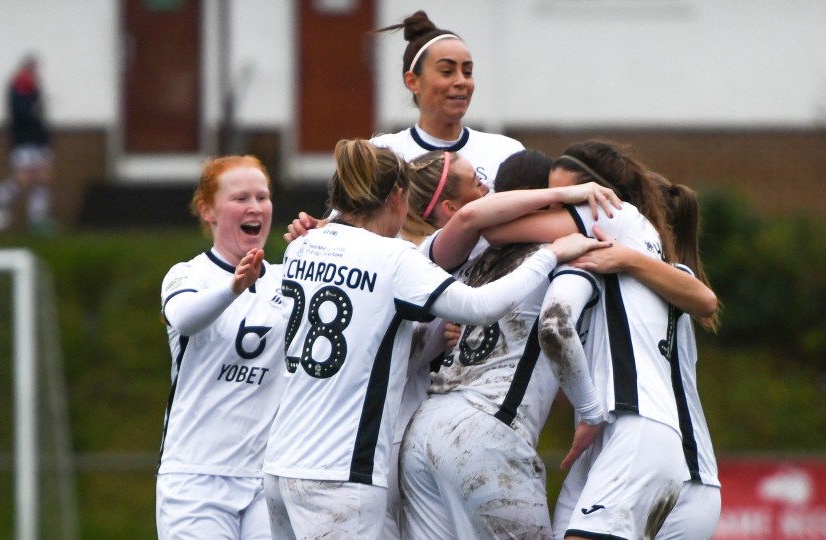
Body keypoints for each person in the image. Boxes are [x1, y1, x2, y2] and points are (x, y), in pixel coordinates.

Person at [261, 139, 607, 540]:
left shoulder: (301, 247)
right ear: (396, 197)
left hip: (281, 465)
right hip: (341, 471)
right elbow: (481, 305)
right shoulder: (394, 260)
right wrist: (552, 252)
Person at [482, 140, 717, 540]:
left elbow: (491, 228)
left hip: (657, 442)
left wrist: (627, 257)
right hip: (621, 443)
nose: (555, 212)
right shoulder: (632, 269)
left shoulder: (618, 221)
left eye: (565, 202)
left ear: (600, 196)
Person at [400, 148, 596, 539]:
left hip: (423, 429)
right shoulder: (560, 253)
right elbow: (555, 327)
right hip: (489, 433)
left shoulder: (473, 255)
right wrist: (591, 411)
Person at [571, 173, 722, 540]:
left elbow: (705, 299)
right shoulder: (629, 286)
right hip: (680, 472)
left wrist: (627, 256)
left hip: (685, 471)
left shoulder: (668, 278)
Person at [156, 155, 288, 539]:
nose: (254, 207)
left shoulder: (289, 281)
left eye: (262, 197)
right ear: (208, 210)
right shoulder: (188, 274)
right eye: (240, 198)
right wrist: (233, 288)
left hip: (267, 478)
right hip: (195, 478)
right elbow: (184, 317)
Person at [370, 10, 524, 191]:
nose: (461, 81)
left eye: (467, 72)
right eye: (446, 71)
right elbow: (342, 219)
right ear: (413, 82)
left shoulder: (506, 152)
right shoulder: (382, 153)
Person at [0, 54, 56, 234]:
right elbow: (21, 114)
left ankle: (37, 220)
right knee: (22, 179)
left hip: (38, 139)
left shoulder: (33, 87)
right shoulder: (19, 86)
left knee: (42, 178)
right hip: (25, 140)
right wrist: (33, 109)